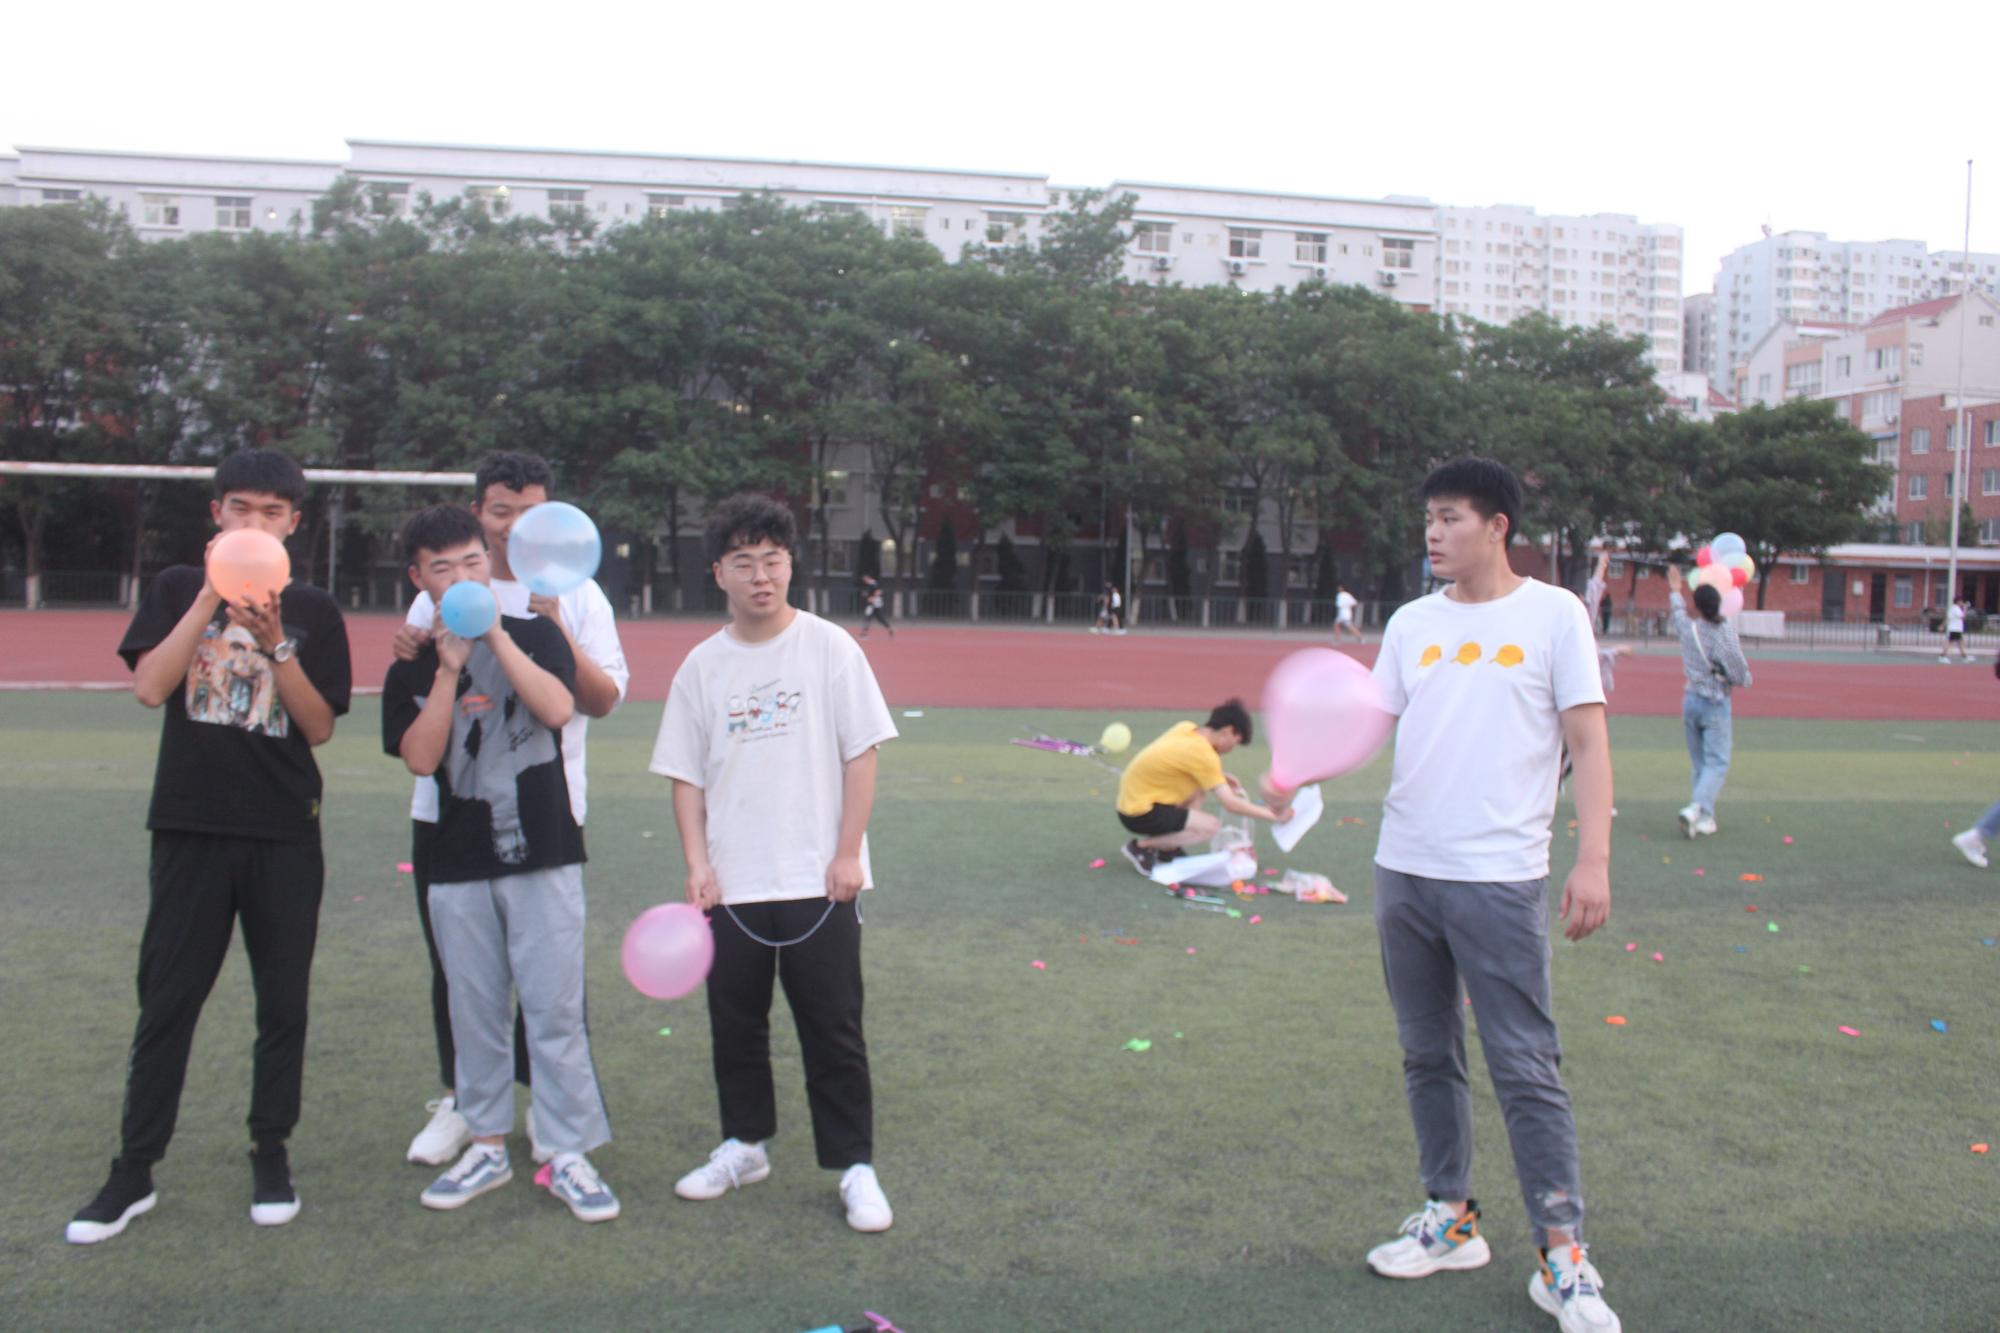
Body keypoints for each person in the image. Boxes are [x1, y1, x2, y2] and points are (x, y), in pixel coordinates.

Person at [1353, 457, 1620, 1333]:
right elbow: (1370, 726)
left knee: (1525, 1064)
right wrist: (1299, 761)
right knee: (1427, 1053)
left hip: (1500, 876)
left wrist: (1593, 859)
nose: (1433, 532)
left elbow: (1589, 739)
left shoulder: (1555, 613)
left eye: (1451, 517)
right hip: (1405, 868)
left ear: (1498, 525)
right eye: (1428, 517)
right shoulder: (1410, 623)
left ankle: (1562, 1255)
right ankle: (1451, 1216)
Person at [66, 450, 352, 1245]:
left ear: (294, 523)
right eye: (240, 508)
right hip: (190, 826)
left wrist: (276, 641)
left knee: (282, 1001)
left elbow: (318, 726)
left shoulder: (315, 609)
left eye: (272, 512)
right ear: (216, 514)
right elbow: (150, 686)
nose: (255, 523)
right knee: (168, 998)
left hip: (283, 829)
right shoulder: (173, 588)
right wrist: (209, 597)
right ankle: (134, 1168)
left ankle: (271, 1149)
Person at [651, 494, 900, 1233]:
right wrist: (696, 863)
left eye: (773, 560)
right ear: (718, 573)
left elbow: (862, 755)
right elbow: (685, 775)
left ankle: (854, 1165)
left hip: (819, 878)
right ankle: (744, 1144)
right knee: (735, 1023)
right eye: (744, 562)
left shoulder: (830, 647)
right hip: (732, 884)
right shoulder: (702, 666)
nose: (761, 576)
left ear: (790, 565)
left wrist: (848, 852)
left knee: (834, 1027)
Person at [382, 505, 618, 1223]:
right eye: (443, 568)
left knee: (554, 1007)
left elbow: (556, 709)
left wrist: (493, 636)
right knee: (474, 1009)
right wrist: (449, 670)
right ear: (419, 579)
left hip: (545, 851)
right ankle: (485, 1143)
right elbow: (420, 757)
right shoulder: (412, 661)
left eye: (473, 561)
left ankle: (568, 1150)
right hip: (456, 860)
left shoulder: (538, 632)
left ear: (491, 562)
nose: (462, 576)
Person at [1114, 700, 1292, 875]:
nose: (1231, 749)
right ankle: (1141, 848)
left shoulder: (1186, 728)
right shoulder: (1204, 754)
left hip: (1130, 803)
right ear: (1227, 731)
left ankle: (1168, 848)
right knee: (1211, 828)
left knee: (1198, 790)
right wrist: (1274, 815)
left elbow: (1180, 762)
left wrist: (1219, 777)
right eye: (1235, 742)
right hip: (1140, 814)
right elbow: (1231, 804)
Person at [1666, 563, 1752, 839]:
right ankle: (1697, 807)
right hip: (1715, 702)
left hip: (1691, 699)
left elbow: (1678, 614)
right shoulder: (1724, 633)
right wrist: (1745, 679)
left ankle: (1706, 817)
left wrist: (1675, 590)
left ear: (1698, 607)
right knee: (1717, 762)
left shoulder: (1689, 630)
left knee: (1700, 763)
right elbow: (1739, 672)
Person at [859, 574, 894, 639]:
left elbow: (879, 591)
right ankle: (889, 629)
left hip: (874, 604)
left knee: (868, 617)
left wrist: (872, 597)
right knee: (878, 617)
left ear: (868, 578)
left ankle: (864, 633)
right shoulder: (870, 585)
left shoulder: (873, 584)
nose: (864, 581)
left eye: (865, 579)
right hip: (873, 604)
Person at [1942, 597, 1971, 664]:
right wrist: (1965, 608)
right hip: (1955, 629)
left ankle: (1964, 657)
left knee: (1960, 643)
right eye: (1961, 601)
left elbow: (1948, 618)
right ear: (1958, 602)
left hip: (1956, 629)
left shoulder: (1953, 608)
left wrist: (1942, 625)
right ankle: (1942, 656)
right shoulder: (1956, 608)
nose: (1962, 603)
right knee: (1950, 643)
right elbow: (1963, 617)